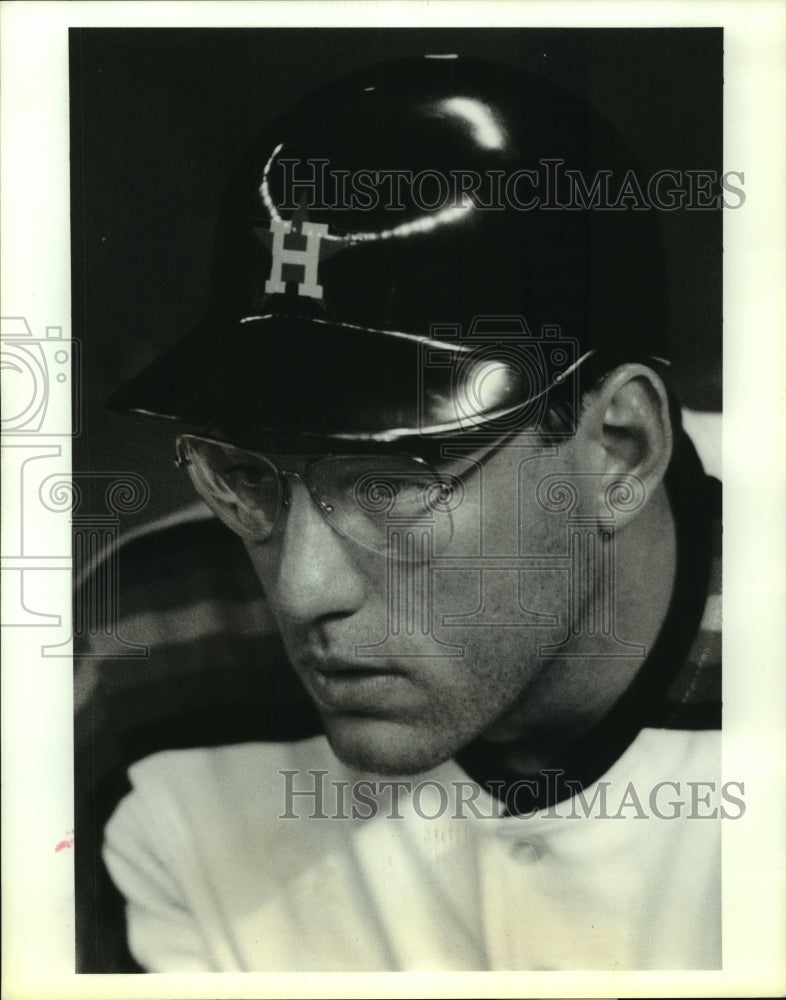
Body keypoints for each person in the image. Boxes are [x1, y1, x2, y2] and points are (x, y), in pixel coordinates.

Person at [74, 54, 722, 972]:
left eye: (392, 481)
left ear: (619, 450)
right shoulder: (145, 650)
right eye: (247, 477)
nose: (302, 590)